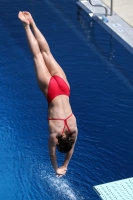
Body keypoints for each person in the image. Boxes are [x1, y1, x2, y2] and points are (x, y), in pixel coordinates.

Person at [18, 11, 78, 177]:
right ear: (59, 142)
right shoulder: (55, 134)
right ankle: (25, 26)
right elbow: (52, 154)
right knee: (37, 56)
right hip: (51, 90)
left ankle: (33, 22)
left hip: (65, 88)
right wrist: (57, 169)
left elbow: (71, 149)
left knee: (46, 53)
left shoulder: (73, 130)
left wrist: (66, 164)